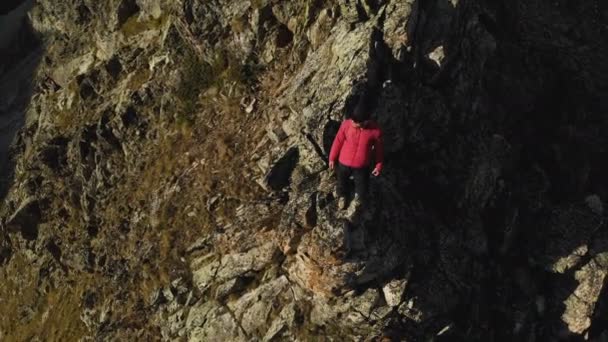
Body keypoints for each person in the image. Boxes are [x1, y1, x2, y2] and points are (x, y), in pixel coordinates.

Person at [328, 99, 384, 212]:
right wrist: (332, 158)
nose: (352, 123)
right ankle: (342, 196)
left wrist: (378, 166)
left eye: (355, 122)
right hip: (343, 163)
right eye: (352, 120)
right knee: (341, 182)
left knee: (362, 188)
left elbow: (379, 150)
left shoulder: (375, 131)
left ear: (365, 121)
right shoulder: (346, 125)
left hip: (361, 167)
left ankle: (361, 202)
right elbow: (338, 141)